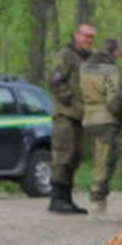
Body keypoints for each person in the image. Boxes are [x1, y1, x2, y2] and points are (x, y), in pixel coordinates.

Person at [48, 23, 95, 214]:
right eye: (85, 36)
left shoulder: (88, 59)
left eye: (91, 37)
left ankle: (67, 197)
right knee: (62, 154)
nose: (88, 41)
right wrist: (71, 100)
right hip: (65, 114)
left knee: (74, 156)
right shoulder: (65, 56)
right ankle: (56, 197)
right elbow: (55, 82)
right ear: (75, 36)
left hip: (80, 115)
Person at [79, 37, 122, 214]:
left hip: (88, 119)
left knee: (96, 160)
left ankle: (95, 197)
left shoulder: (84, 68)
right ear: (114, 52)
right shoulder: (110, 70)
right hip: (105, 119)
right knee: (105, 162)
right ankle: (97, 200)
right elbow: (114, 100)